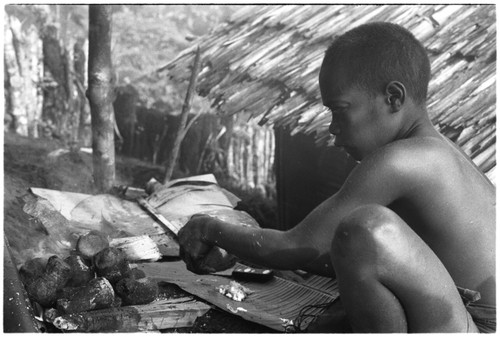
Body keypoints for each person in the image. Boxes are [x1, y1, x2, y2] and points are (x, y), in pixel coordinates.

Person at [178, 22, 496, 333]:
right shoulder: (443, 154)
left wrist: (210, 229)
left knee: (362, 231)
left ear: (394, 99)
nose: (332, 128)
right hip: (457, 316)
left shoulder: (402, 160)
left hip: (475, 326)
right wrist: (241, 246)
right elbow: (328, 254)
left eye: (340, 110)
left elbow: (300, 247)